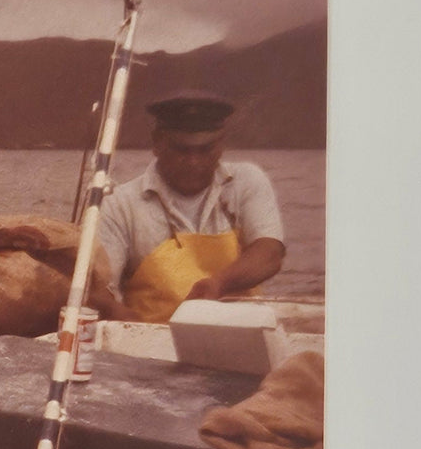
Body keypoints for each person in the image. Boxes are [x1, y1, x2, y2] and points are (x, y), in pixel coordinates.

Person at [98, 89, 286, 324]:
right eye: (181, 149)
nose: (193, 161)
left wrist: (219, 284)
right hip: (152, 343)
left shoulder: (247, 181)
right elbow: (101, 287)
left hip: (239, 332)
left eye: (205, 149)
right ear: (157, 143)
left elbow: (270, 253)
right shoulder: (119, 204)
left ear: (221, 144)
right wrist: (117, 314)